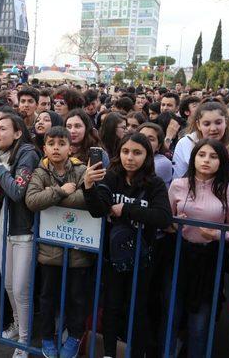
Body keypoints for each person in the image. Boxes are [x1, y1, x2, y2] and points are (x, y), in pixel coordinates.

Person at [83, 133, 172, 358]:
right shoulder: (112, 177)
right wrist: (89, 186)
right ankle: (109, 353)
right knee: (112, 307)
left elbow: (163, 217)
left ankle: (137, 352)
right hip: (114, 258)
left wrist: (127, 210)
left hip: (143, 258)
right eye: (125, 152)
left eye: (137, 152)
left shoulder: (155, 183)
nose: (129, 158)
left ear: (147, 156)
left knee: (137, 309)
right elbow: (98, 209)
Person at [163, 139, 229, 357]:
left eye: (213, 156)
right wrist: (175, 222)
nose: (206, 160)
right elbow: (167, 221)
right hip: (179, 256)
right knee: (171, 317)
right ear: (193, 158)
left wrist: (218, 234)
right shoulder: (179, 184)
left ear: (221, 161)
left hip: (209, 262)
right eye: (201, 155)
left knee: (199, 325)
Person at [25, 126, 91, 358]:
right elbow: (32, 200)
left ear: (69, 147)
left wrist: (54, 198)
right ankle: (46, 337)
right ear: (44, 148)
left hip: (78, 248)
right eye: (51, 143)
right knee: (47, 296)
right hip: (50, 249)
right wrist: (60, 191)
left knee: (76, 297)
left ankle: (74, 336)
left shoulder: (82, 169)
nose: (56, 147)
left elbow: (90, 199)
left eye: (61, 143)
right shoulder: (40, 172)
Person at [0, 113, 40, 358]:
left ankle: (25, 342)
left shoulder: (27, 153)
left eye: (3, 128)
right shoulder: (4, 155)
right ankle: (18, 326)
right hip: (5, 228)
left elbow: (18, 191)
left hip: (24, 230)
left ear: (18, 133)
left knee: (20, 289)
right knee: (8, 285)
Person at [172, 102, 229, 179]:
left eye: (218, 123)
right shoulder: (185, 143)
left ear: (226, 122)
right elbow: (177, 178)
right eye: (207, 124)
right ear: (198, 125)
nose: (213, 129)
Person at [137, 122, 173, 187]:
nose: (144, 141)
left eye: (150, 139)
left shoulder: (163, 163)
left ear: (158, 146)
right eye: (141, 137)